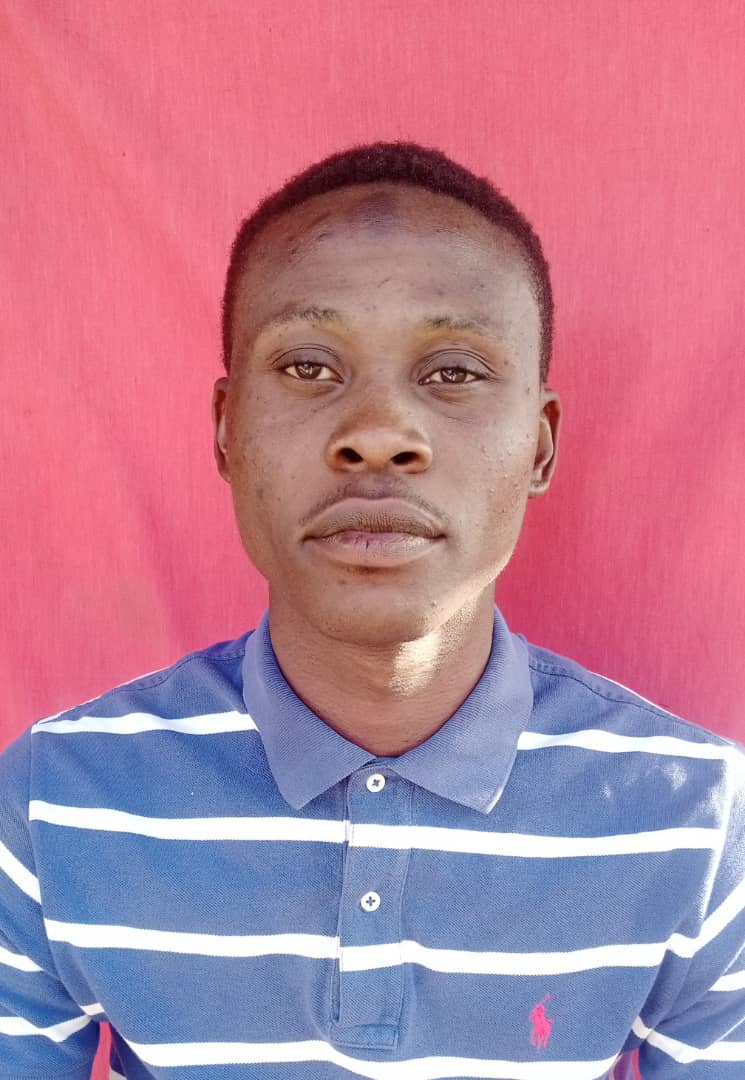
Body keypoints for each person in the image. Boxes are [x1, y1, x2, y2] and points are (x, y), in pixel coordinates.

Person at [1, 140, 743, 1080]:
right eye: (309, 366)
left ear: (540, 446)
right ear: (227, 430)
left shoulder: (701, 826)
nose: (380, 435)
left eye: (454, 372)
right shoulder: (55, 800)